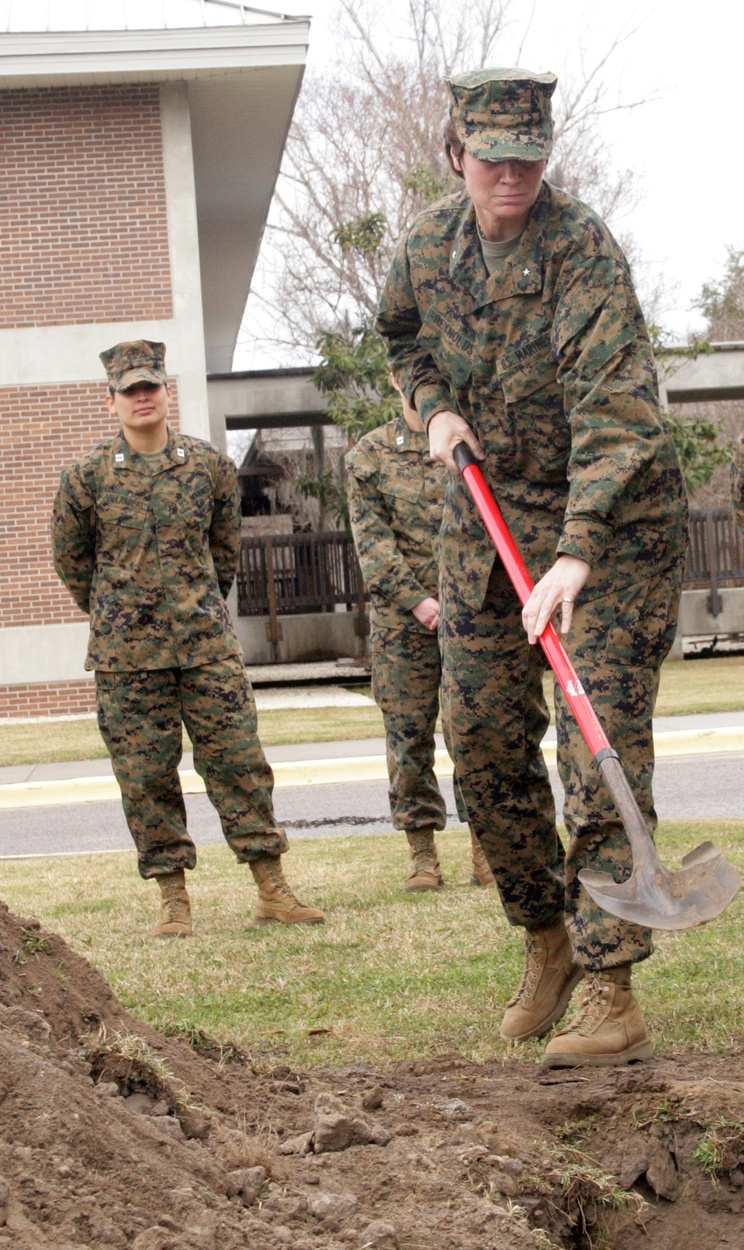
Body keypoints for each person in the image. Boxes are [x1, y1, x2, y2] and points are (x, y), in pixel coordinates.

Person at [375, 69, 688, 1067]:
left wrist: (577, 551)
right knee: (478, 742)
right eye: (492, 156)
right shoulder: (425, 247)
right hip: (488, 510)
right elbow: (400, 337)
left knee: (594, 740)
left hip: (613, 522)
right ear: (457, 155)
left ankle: (609, 986)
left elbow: (618, 411)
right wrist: (432, 408)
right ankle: (545, 941)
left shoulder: (580, 248)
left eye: (528, 156)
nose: (511, 175)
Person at [51, 340, 324, 937]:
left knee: (238, 762)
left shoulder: (208, 467)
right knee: (145, 775)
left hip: (205, 647)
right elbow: (73, 564)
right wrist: (117, 614)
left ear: (167, 391)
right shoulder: (85, 479)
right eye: (130, 391)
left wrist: (195, 604)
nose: (141, 397)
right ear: (111, 401)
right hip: (127, 658)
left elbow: (224, 552)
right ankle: (173, 901)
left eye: (151, 386)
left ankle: (271, 889)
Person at [345, 375, 494, 891]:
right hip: (401, 623)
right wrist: (419, 601)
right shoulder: (370, 455)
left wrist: (463, 598)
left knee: (473, 732)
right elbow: (372, 543)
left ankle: (486, 849)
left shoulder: (468, 441)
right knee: (407, 738)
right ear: (393, 378)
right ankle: (423, 854)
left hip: (472, 616)